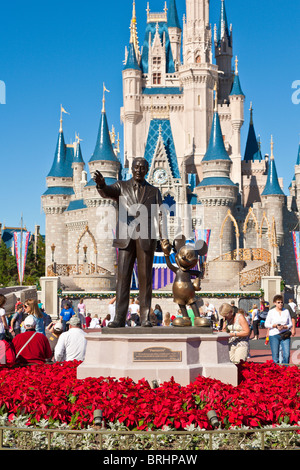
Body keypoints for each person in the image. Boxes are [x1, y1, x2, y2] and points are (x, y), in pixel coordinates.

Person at [94, 157, 169, 328]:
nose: (139, 170)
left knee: (145, 278)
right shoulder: (121, 186)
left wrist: (163, 237)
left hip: (146, 238)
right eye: (136, 167)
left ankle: (145, 317)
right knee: (123, 277)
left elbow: (160, 216)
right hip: (125, 237)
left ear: (147, 169)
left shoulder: (154, 191)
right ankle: (119, 317)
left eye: (142, 167)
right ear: (132, 169)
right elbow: (106, 192)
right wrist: (101, 185)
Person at [265, 294, 293, 365]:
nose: (280, 304)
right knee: (275, 356)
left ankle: (285, 370)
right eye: (278, 302)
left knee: (286, 354)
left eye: (281, 302)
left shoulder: (286, 311)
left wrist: (285, 326)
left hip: (284, 334)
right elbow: (266, 324)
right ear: (275, 303)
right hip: (274, 335)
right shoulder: (271, 312)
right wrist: (275, 326)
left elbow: (290, 324)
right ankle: (276, 372)